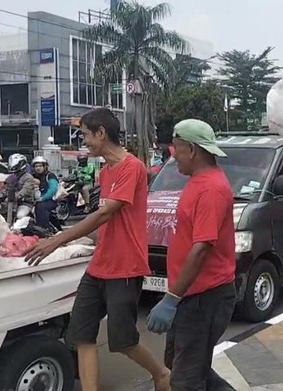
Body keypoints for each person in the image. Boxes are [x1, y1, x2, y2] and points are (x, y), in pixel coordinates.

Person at [24, 108, 170, 391]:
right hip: (99, 266)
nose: (84, 142)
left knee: (122, 341)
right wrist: (75, 241)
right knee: (81, 335)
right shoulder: (105, 173)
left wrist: (58, 240)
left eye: (86, 135)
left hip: (126, 267)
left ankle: (161, 373)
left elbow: (107, 213)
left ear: (101, 133)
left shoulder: (132, 167)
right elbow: (103, 223)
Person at [145, 119, 236, 391]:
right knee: (183, 367)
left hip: (204, 297)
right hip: (190, 296)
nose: (174, 157)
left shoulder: (210, 189)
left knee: (186, 380)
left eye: (177, 149)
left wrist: (171, 298)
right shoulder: (197, 182)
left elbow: (202, 248)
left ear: (193, 150)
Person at [7, 153, 39, 220]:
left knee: (20, 216)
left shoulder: (28, 178)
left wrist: (15, 196)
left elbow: (25, 191)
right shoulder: (11, 177)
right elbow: (5, 188)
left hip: (26, 203)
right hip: (11, 203)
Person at [32, 156, 60, 230]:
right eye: (36, 166)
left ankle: (43, 230)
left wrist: (43, 198)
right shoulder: (33, 177)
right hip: (34, 200)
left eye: (40, 166)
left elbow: (53, 189)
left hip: (49, 200)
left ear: (45, 166)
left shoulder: (50, 176)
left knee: (40, 207)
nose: (38, 168)